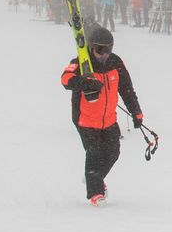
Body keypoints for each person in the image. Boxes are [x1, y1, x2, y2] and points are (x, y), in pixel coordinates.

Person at [60, 27, 145, 206]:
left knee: (113, 153)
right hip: (85, 119)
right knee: (95, 153)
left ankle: (93, 178)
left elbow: (127, 89)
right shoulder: (81, 63)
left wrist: (136, 112)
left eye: (108, 49)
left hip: (109, 120)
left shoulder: (116, 63)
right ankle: (96, 192)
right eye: (100, 50)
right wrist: (84, 81)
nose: (104, 54)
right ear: (91, 48)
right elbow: (65, 79)